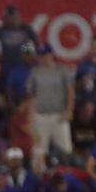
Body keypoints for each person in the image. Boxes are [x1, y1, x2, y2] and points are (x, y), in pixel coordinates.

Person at [28, 45, 74, 173]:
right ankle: (39, 178)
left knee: (65, 149)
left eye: (45, 55)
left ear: (51, 55)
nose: (43, 58)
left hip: (59, 115)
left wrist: (69, 111)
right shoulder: (35, 72)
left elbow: (70, 92)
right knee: (38, 150)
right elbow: (31, 96)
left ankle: (66, 177)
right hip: (40, 115)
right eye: (41, 55)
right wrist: (31, 118)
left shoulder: (62, 70)